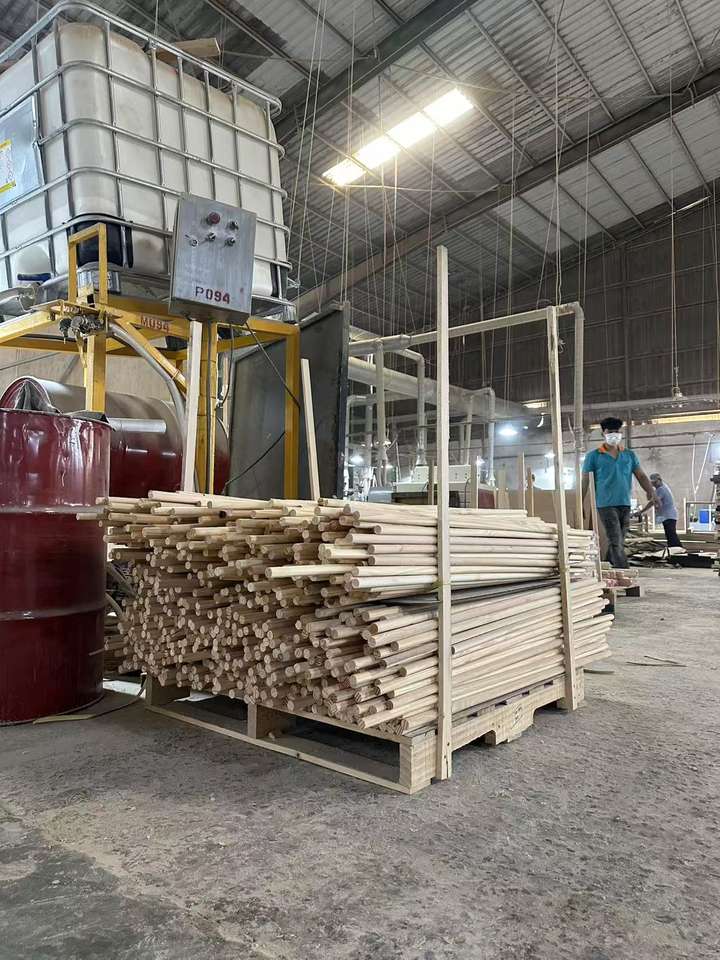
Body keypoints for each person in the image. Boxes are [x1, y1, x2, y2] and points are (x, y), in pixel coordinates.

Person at [582, 416, 657, 569]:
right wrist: (580, 502)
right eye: (610, 431)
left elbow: (641, 475)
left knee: (619, 540)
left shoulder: (629, 455)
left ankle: (607, 566)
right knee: (615, 538)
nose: (614, 434)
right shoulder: (593, 456)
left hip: (625, 502)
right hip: (605, 504)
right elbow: (585, 481)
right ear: (603, 433)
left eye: (616, 431)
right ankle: (623, 571)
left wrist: (651, 492)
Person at [636, 473, 685, 553]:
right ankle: (675, 550)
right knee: (670, 535)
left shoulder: (661, 489)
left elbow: (652, 502)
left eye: (655, 483)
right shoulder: (661, 488)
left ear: (659, 480)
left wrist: (641, 511)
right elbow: (652, 499)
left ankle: (678, 551)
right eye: (652, 483)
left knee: (671, 535)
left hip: (669, 516)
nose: (654, 485)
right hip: (667, 516)